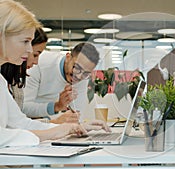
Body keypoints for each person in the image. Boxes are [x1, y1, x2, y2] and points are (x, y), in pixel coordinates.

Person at [0, 0, 110, 147]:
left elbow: (20, 123)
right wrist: (52, 132)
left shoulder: (0, 80)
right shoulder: (41, 66)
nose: (30, 50)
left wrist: (71, 129)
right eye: (25, 41)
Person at [1, 28, 79, 124]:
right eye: (35, 55)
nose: (36, 62)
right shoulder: (5, 81)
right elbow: (16, 125)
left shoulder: (14, 83)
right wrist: (54, 122)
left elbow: (19, 123)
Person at [22, 42, 98, 121]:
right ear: (68, 57)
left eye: (86, 73)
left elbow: (77, 115)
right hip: (27, 122)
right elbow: (23, 107)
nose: (78, 76)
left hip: (49, 122)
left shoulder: (82, 77)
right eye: (76, 67)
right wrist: (56, 106)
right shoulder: (39, 63)